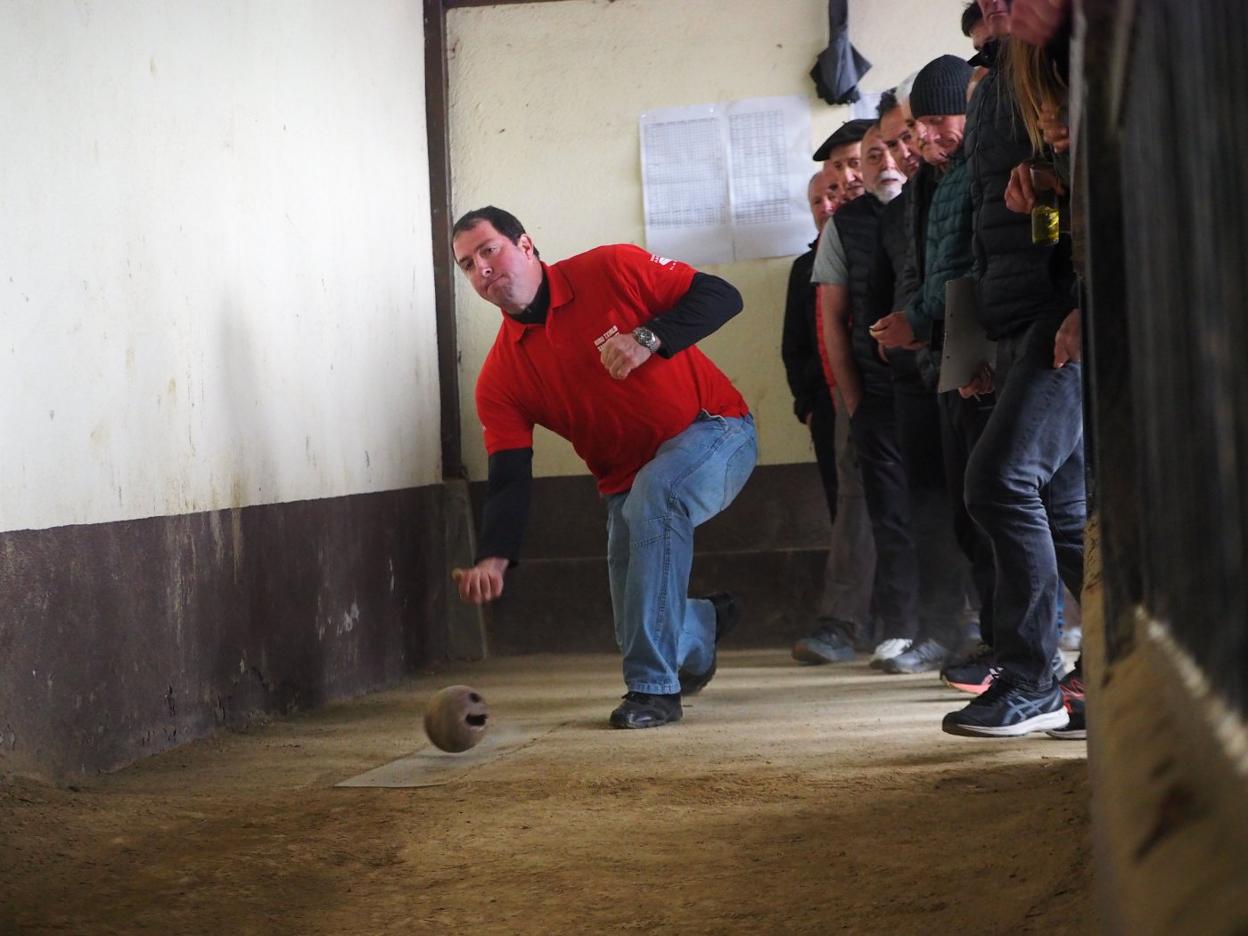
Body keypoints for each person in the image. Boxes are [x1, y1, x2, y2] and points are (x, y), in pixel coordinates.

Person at [451, 206, 758, 730]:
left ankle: (654, 692)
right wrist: (494, 558)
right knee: (639, 619)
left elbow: (724, 296)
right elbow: (508, 474)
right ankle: (700, 625)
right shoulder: (501, 377)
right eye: (466, 264)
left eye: (488, 250)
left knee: (656, 496)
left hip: (716, 433)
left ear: (526, 246)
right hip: (625, 482)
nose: (481, 268)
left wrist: (648, 338)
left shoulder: (610, 269)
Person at [940, 0, 1085, 738]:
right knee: (1062, 508)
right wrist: (969, 343)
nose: (1006, 10)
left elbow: (1117, 191)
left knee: (1000, 480)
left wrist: (1085, 300)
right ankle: (1098, 675)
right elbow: (982, 228)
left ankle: (1032, 679)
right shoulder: (1004, 82)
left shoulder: (1080, 58)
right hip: (1020, 311)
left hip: (1061, 311)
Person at [807, 122, 933, 667]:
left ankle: (955, 624)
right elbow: (832, 320)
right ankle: (896, 625)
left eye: (891, 149)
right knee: (884, 510)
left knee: (949, 502)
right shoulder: (849, 225)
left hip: (935, 380)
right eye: (869, 154)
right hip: (873, 391)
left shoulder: (927, 201)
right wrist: (851, 399)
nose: (883, 162)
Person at [791, 119, 881, 664]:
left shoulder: (906, 210)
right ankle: (844, 623)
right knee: (855, 504)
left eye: (856, 163)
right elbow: (821, 330)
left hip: (920, 381)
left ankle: (949, 623)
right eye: (837, 169)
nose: (846, 178)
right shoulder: (836, 237)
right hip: (852, 390)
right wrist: (831, 397)